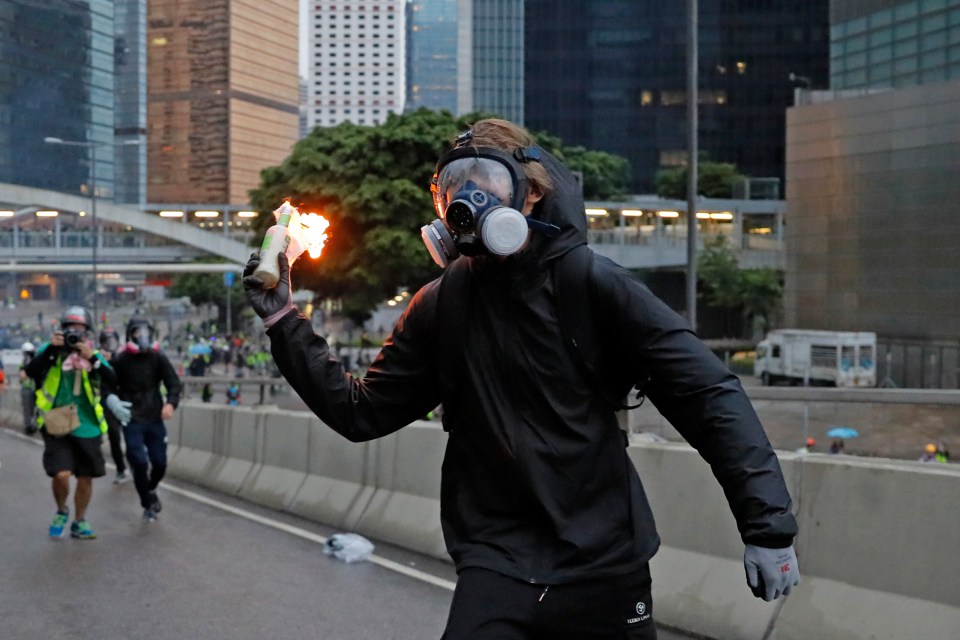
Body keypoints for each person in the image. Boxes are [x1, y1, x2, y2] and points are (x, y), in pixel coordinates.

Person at [244, 118, 800, 638]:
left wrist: (767, 527)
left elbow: (707, 395)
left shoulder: (593, 284)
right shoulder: (442, 304)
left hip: (605, 561)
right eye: (453, 186)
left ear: (531, 191)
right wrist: (282, 321)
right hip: (497, 562)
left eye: (486, 179)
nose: (468, 198)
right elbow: (361, 412)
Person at [24, 305, 116, 540]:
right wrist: (51, 351)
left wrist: (92, 358)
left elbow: (113, 379)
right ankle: (61, 509)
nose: (74, 334)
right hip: (57, 421)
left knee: (86, 476)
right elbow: (31, 371)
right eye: (70, 329)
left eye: (80, 330)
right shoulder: (51, 350)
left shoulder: (93, 353)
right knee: (61, 474)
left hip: (88, 425)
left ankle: (79, 520)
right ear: (61, 330)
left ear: (88, 333)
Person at [109, 316, 182, 521]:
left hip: (155, 418)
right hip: (132, 418)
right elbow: (108, 386)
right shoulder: (121, 360)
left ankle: (149, 488)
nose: (142, 336)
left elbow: (173, 383)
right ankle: (147, 502)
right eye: (137, 332)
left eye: (145, 331)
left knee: (159, 463)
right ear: (130, 334)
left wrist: (171, 403)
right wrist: (113, 401)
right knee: (139, 462)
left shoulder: (158, 357)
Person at [97, 329, 130, 484]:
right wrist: (103, 362)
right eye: (106, 342)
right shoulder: (97, 359)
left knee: (132, 435)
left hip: (124, 400)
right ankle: (120, 469)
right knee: (114, 436)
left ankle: (136, 465)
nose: (109, 346)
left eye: (112, 342)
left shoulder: (124, 358)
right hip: (107, 402)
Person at [18, 342, 38, 434]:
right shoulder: (24, 362)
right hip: (27, 388)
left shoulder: (36, 361)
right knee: (28, 409)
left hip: (35, 388)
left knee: (35, 409)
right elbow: (22, 375)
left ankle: (33, 425)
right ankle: (28, 426)